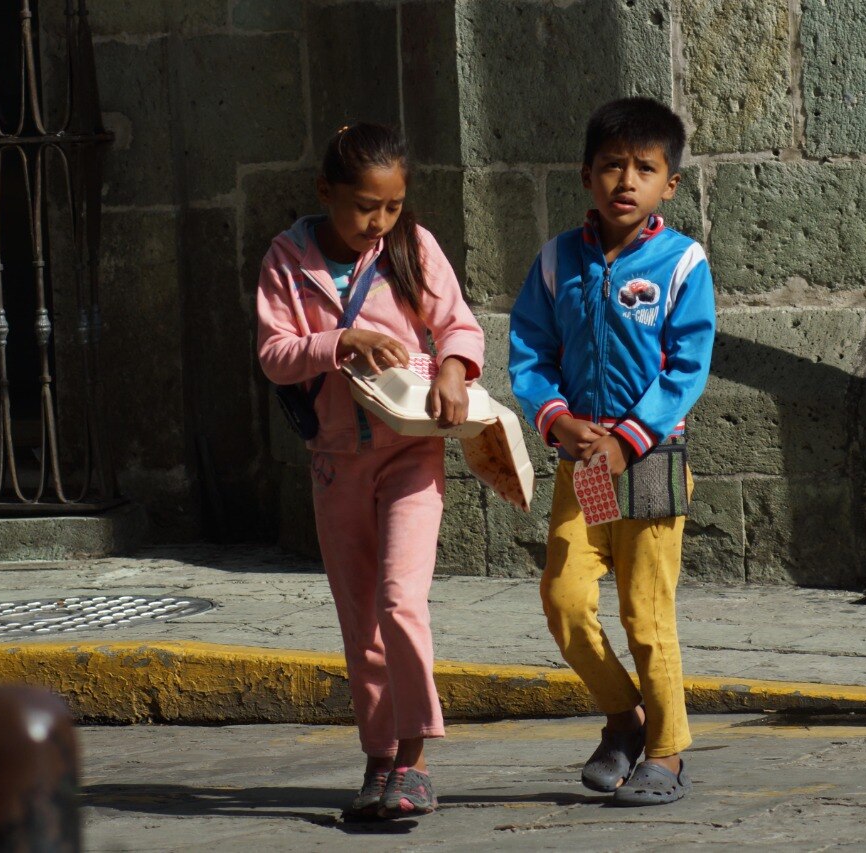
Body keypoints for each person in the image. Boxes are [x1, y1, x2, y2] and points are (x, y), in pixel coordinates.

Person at [256, 123, 484, 819]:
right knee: (361, 621)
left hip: (411, 451)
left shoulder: (412, 247)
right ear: (325, 192)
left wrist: (453, 371)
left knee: (399, 601)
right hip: (336, 463)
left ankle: (414, 759)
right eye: (364, 207)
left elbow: (459, 326)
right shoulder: (287, 260)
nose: (378, 221)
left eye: (391, 206)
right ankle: (379, 757)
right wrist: (340, 342)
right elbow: (274, 355)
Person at [508, 97, 715, 806]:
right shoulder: (556, 260)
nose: (627, 180)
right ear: (586, 175)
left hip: (649, 464)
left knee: (646, 614)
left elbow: (687, 367)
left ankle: (668, 752)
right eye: (611, 166)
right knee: (565, 599)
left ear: (669, 185)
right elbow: (531, 351)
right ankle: (624, 717)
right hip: (584, 468)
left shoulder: (682, 262)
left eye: (645, 169)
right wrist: (556, 419)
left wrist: (630, 438)